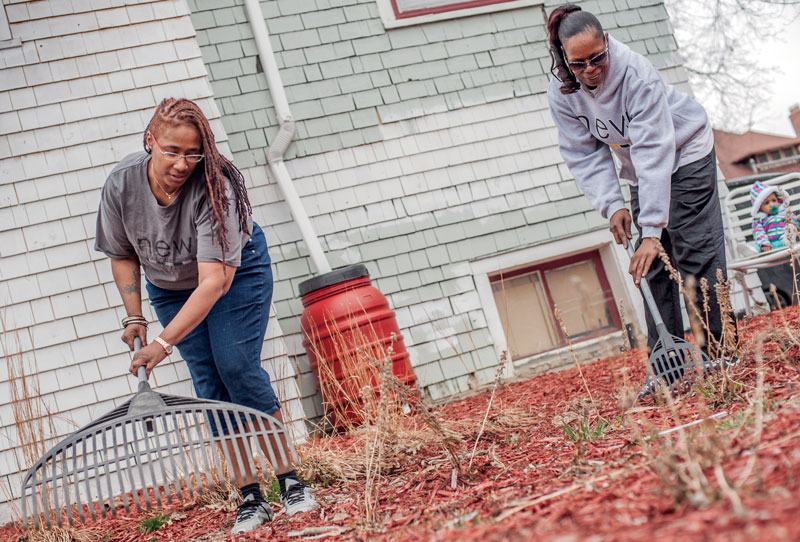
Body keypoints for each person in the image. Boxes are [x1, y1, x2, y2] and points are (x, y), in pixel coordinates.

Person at [94, 97, 318, 534]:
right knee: (209, 384)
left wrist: (161, 344)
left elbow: (214, 282)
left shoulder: (216, 188)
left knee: (236, 365)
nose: (183, 163)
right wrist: (133, 317)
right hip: (169, 286)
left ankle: (291, 482)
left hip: (236, 273)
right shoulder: (121, 184)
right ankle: (250, 497)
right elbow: (121, 253)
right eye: (172, 151)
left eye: (193, 153)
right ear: (150, 141)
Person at [545, 4, 737, 379]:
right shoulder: (563, 90)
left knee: (694, 253)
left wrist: (651, 231)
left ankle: (720, 354)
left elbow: (654, 151)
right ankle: (668, 368)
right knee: (651, 268)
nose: (589, 70)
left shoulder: (636, 74)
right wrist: (612, 204)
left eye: (597, 58)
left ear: (608, 45)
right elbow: (583, 152)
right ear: (564, 60)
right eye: (578, 63)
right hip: (639, 169)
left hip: (685, 151)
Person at [749, 180, 800, 308]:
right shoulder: (760, 220)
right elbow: (759, 232)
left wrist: (796, 220)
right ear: (759, 207)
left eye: (774, 200)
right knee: (756, 245)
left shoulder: (784, 213)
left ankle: (790, 238)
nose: (772, 204)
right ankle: (751, 251)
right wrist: (763, 244)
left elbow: (793, 221)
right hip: (769, 245)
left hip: (784, 241)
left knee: (790, 228)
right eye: (766, 203)